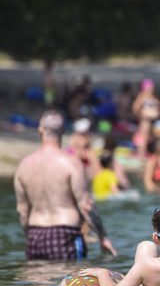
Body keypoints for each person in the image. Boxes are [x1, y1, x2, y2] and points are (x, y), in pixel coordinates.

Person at [14, 110, 117, 260]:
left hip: (35, 234)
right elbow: (86, 206)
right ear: (63, 130)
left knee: (35, 282)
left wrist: (30, 236)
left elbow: (22, 210)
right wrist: (103, 236)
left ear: (40, 130)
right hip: (65, 232)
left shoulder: (24, 166)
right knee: (70, 281)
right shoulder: (71, 164)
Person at [131, 79, 160, 157]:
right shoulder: (142, 97)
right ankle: (142, 152)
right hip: (146, 121)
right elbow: (135, 108)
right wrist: (142, 114)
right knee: (145, 125)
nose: (151, 90)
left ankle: (157, 152)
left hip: (155, 122)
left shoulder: (155, 98)